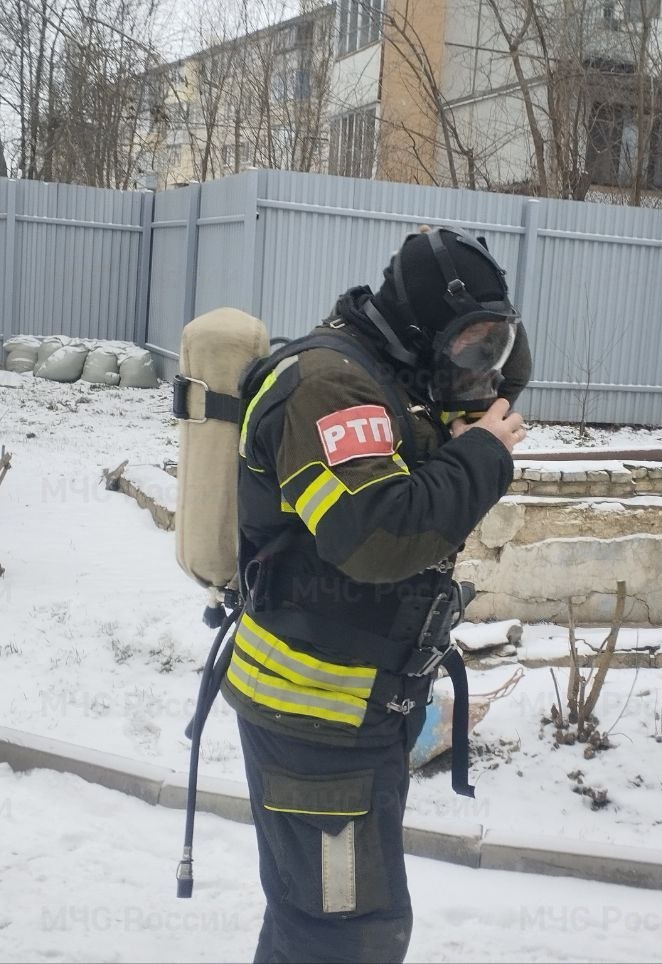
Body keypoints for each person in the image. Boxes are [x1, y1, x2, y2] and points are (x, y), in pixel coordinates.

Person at [220, 226, 531, 962]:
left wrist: (480, 384)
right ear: (423, 326)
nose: (482, 368)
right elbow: (375, 538)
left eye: (497, 346)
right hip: (313, 713)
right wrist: (483, 455)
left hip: (354, 713)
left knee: (318, 922)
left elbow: (486, 389)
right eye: (470, 346)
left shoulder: (399, 374)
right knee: (344, 932)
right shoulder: (332, 385)